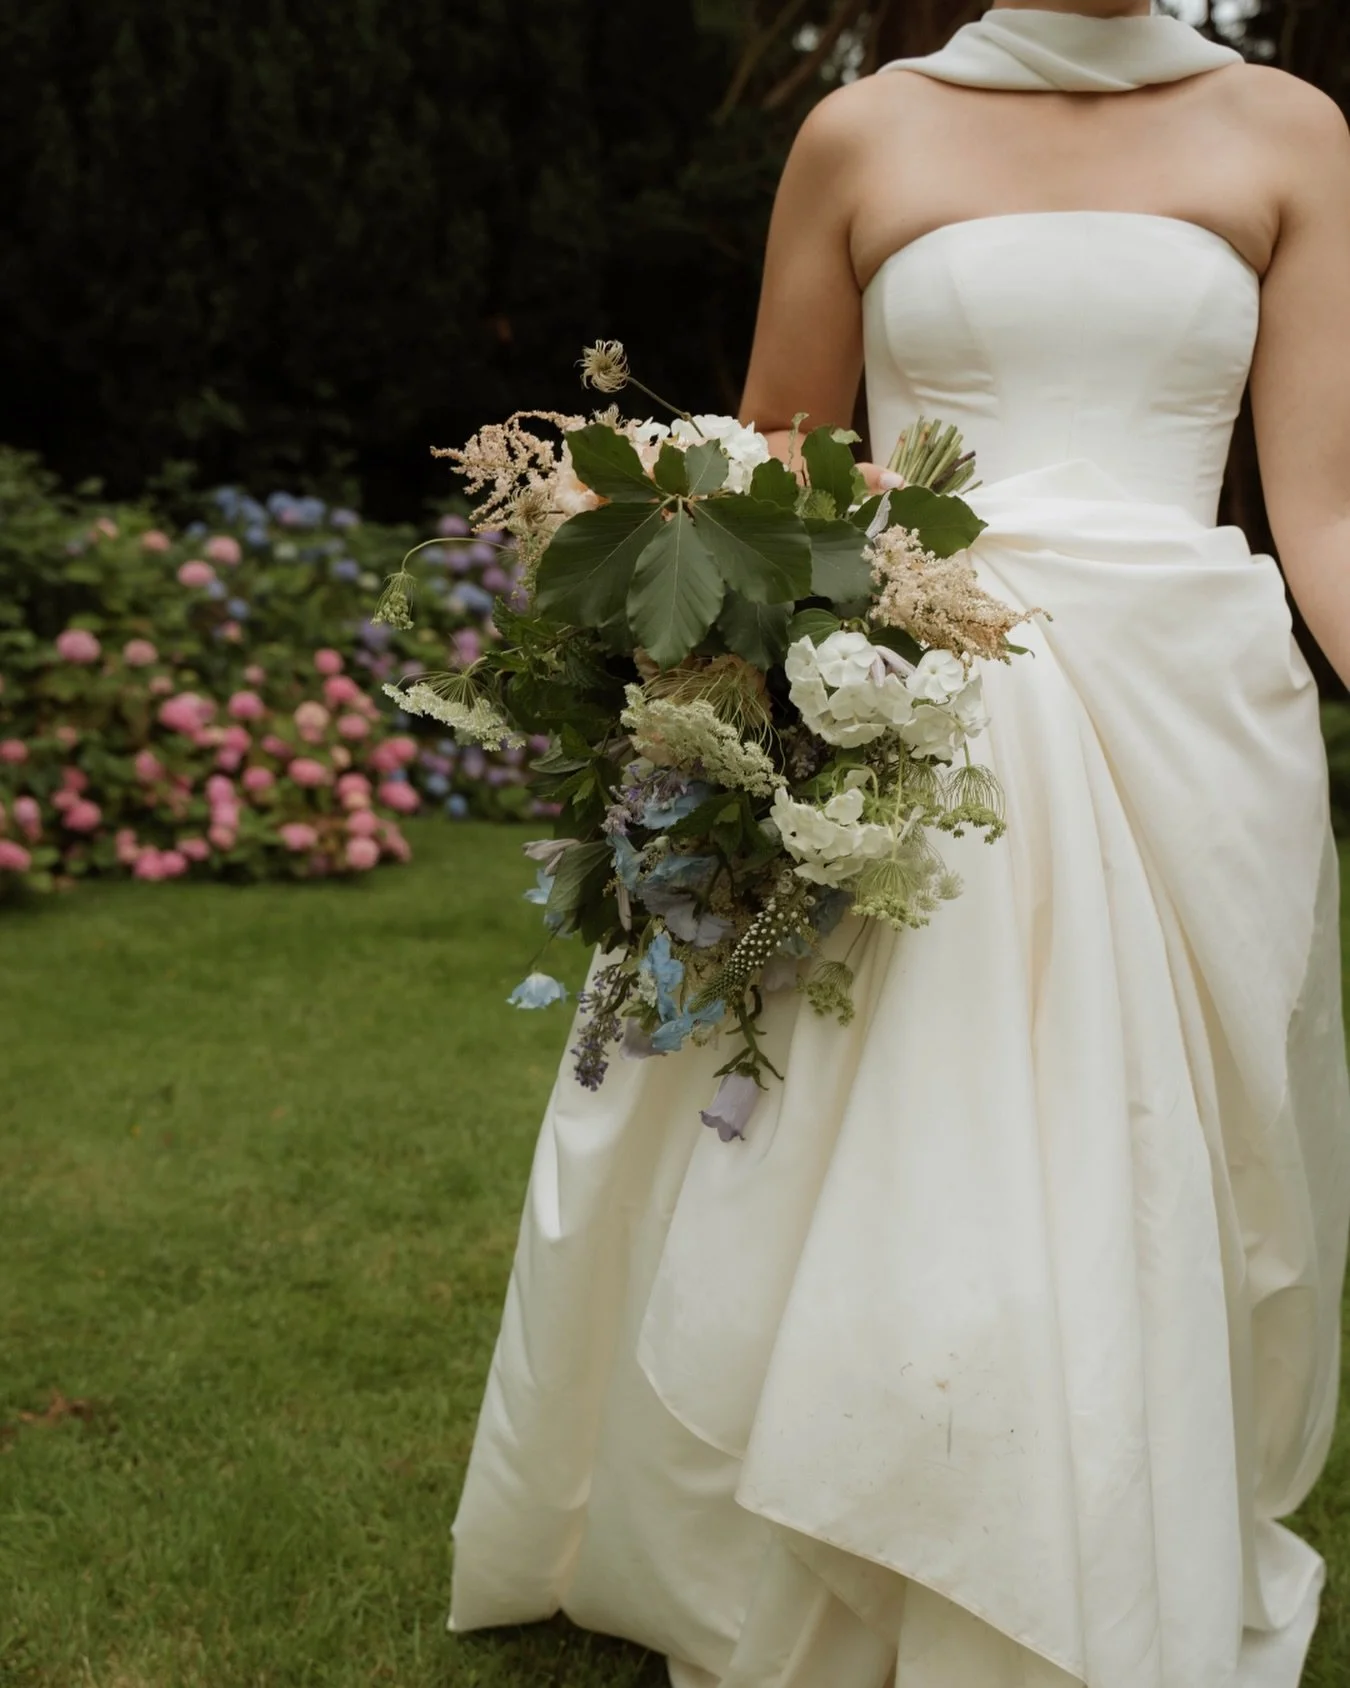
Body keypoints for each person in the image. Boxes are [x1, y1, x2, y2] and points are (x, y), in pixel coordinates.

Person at [449, 3, 1350, 1684]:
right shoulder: (867, 132)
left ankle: (1091, 1505)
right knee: (900, 1129)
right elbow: (786, 441)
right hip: (923, 684)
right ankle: (838, 1543)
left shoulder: (1290, 129)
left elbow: (1325, 504)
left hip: (1184, 712)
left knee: (1156, 1136)